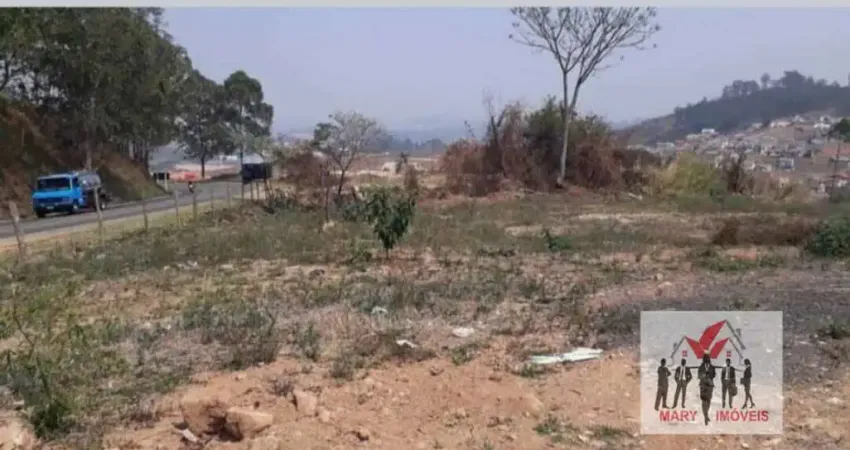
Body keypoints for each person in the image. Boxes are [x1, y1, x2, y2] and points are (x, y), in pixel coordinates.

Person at [697, 354, 717, 425]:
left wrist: (709, 376)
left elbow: (714, 375)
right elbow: (698, 376)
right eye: (705, 359)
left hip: (710, 385)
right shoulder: (701, 367)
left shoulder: (712, 367)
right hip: (703, 385)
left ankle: (706, 414)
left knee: (708, 401)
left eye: (708, 359)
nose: (707, 360)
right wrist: (704, 375)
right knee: (703, 400)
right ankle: (705, 417)